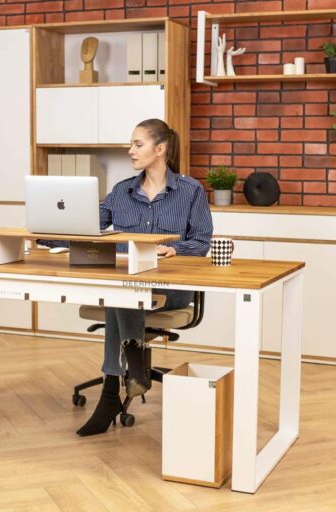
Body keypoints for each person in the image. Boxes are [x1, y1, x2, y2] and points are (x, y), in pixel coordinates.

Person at [75, 118, 213, 436]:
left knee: (119, 292)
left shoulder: (190, 191)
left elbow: (203, 241)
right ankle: (124, 374)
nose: (130, 150)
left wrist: (176, 250)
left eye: (138, 144)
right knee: (123, 289)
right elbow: (87, 225)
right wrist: (49, 232)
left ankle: (114, 390)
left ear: (160, 149)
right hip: (129, 286)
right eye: (131, 144)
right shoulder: (122, 191)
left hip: (170, 289)